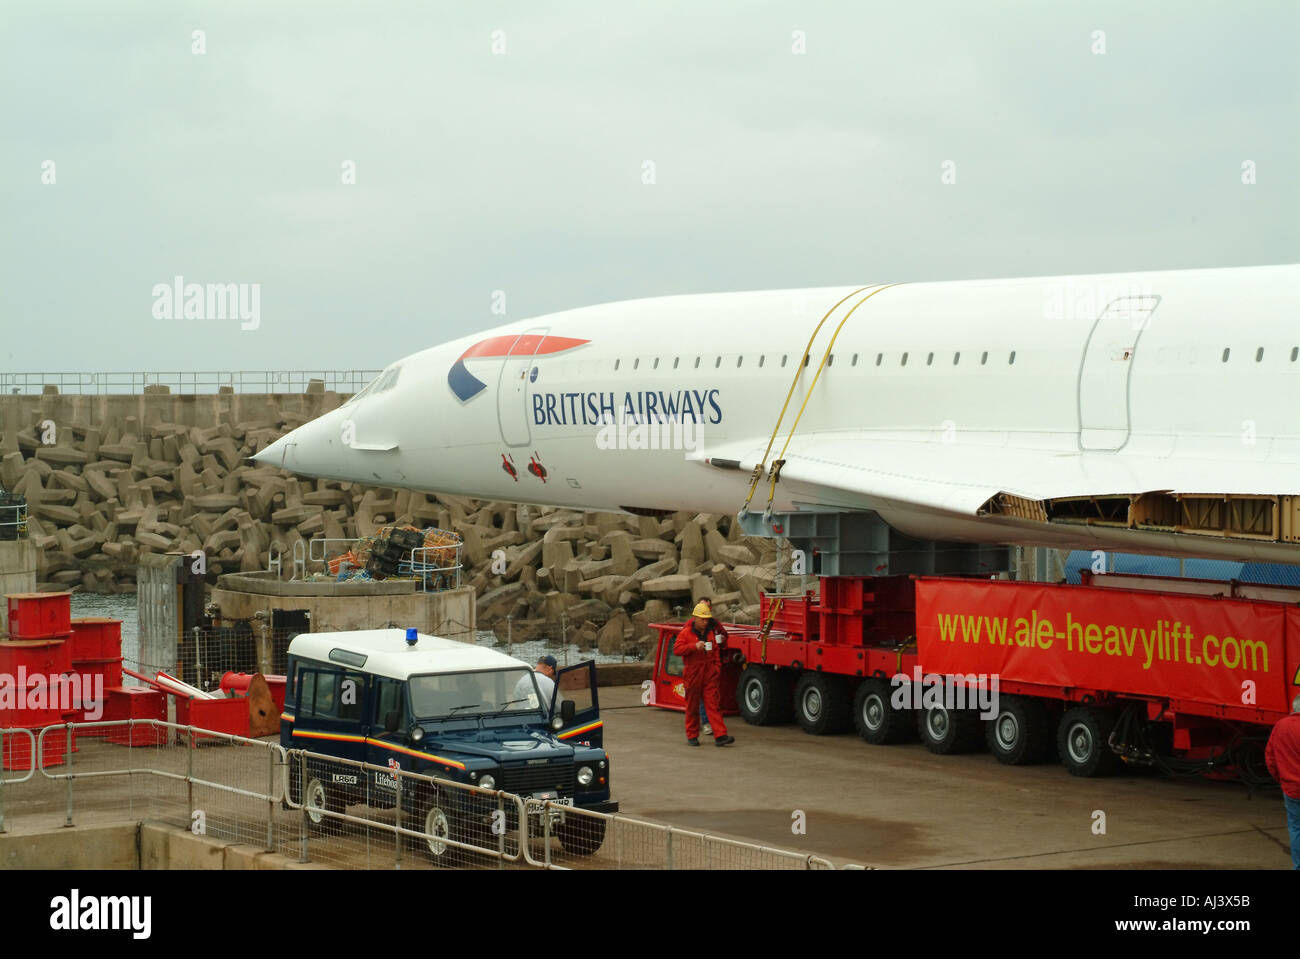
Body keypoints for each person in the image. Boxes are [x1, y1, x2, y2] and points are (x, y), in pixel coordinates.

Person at [673, 601, 734, 747]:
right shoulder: (686, 633)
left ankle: (720, 735)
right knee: (692, 706)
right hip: (693, 673)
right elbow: (677, 650)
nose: (705, 622)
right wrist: (694, 646)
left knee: (713, 705)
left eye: (707, 619)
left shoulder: (710, 633)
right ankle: (692, 735)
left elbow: (716, 652)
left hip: (709, 673)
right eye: (703, 619)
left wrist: (716, 668)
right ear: (695, 618)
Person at [1265, 694, 1300, 869]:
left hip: (1291, 788)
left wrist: (1280, 778)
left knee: (1296, 829)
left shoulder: (1281, 726)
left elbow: (1270, 757)